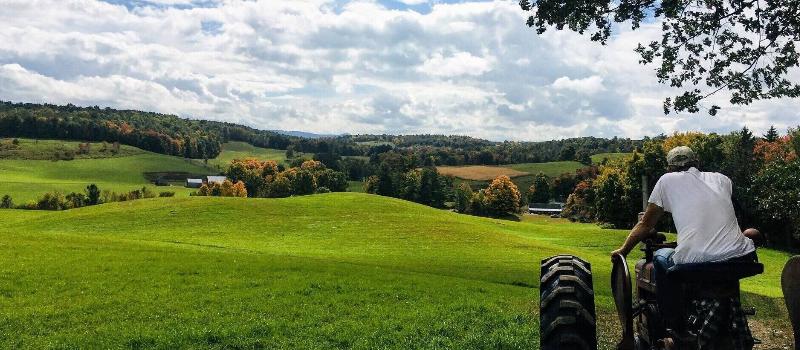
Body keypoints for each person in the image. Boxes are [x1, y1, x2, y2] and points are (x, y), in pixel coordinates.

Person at [610, 146, 758, 327]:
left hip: (697, 262)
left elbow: (646, 224)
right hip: (741, 256)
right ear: (697, 163)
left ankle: (674, 323)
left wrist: (623, 250)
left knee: (660, 257)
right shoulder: (722, 179)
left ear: (670, 168)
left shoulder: (666, 181)